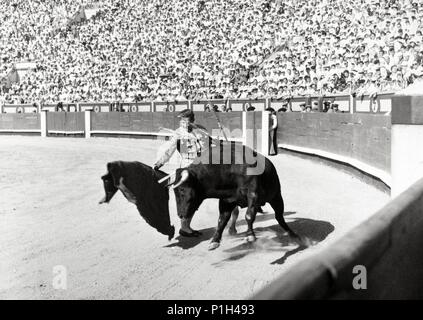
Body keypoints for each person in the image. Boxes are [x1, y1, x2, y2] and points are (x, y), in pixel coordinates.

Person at [153, 109, 211, 237]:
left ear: (191, 120)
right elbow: (169, 150)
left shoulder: (201, 130)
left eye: (184, 119)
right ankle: (184, 227)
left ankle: (186, 226)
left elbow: (208, 148)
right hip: (186, 169)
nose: (182, 122)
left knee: (196, 198)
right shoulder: (178, 133)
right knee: (187, 197)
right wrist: (159, 163)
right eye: (181, 120)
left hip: (201, 169)